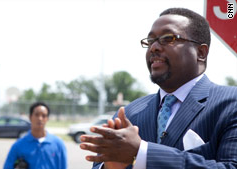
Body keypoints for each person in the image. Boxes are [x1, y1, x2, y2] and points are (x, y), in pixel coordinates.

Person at [80, 7, 237, 169]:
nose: (153, 47)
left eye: (168, 38)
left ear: (201, 52)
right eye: (150, 41)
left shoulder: (231, 104)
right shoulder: (129, 113)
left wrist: (143, 153)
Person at [4, 102, 67, 169]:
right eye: (36, 115)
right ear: (30, 117)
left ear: (47, 119)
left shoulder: (58, 144)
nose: (40, 118)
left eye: (44, 115)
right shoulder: (18, 145)